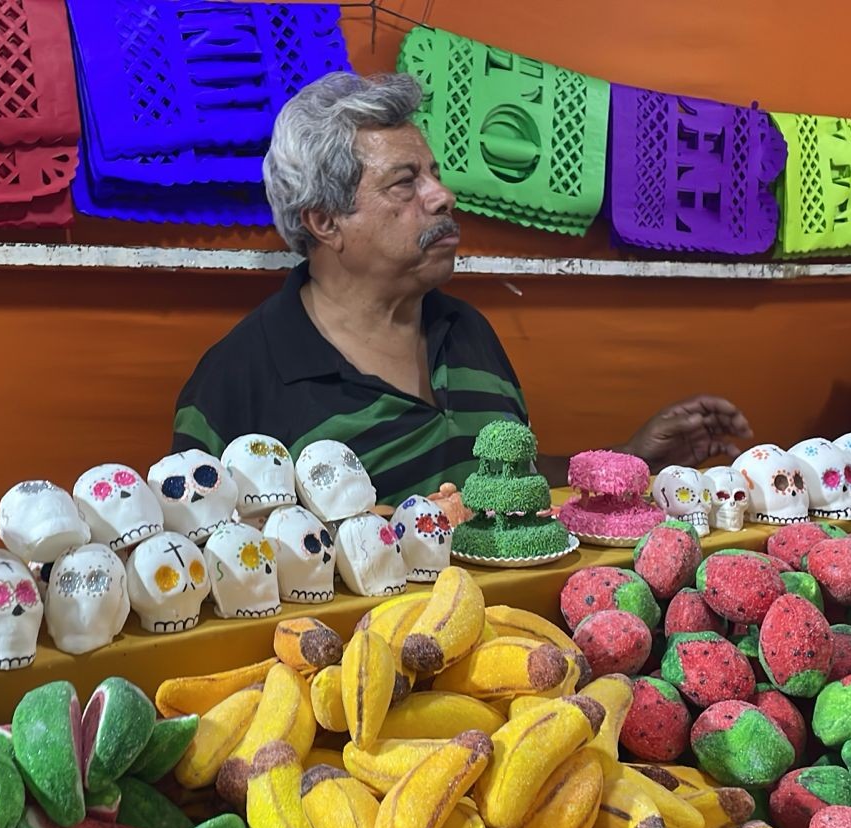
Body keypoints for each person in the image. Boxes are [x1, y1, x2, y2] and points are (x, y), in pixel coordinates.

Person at [172, 71, 751, 505]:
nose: (442, 196)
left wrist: (623, 462)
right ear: (324, 221)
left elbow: (504, 484)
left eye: (435, 173)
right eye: (405, 182)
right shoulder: (239, 382)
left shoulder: (465, 330)